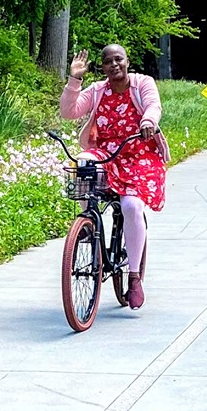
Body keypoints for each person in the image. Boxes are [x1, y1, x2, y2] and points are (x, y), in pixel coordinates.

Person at [60, 44, 167, 308]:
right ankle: (88, 224)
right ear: (103, 67)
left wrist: (148, 123)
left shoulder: (142, 83)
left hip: (140, 155)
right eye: (108, 61)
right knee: (83, 162)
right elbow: (68, 112)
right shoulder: (98, 90)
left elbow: (153, 105)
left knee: (131, 205)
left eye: (118, 59)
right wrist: (75, 79)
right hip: (107, 154)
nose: (114, 64)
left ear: (127, 61)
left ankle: (133, 277)